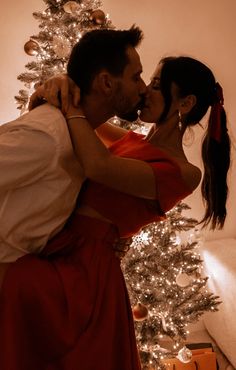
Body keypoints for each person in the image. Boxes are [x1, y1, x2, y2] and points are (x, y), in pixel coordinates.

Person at [0, 30, 231, 370]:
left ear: (185, 103)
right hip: (63, 249)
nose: (143, 91)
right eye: (143, 79)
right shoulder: (135, 141)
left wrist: (68, 97)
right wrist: (59, 85)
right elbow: (90, 121)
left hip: (86, 272)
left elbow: (98, 164)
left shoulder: (183, 172)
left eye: (154, 84)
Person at [0, 26, 146, 282]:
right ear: (106, 83)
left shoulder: (83, 138)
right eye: (136, 77)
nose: (143, 88)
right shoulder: (47, 136)